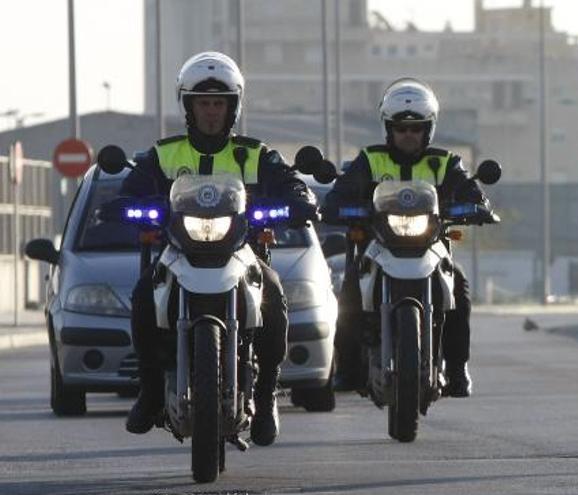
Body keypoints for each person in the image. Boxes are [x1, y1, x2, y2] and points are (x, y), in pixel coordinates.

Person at [122, 51, 316, 446]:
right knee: (143, 295)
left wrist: (298, 200)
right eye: (204, 103)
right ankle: (151, 390)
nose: (211, 112)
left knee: (275, 297)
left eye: (219, 104)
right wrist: (128, 205)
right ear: (188, 106)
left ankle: (265, 396)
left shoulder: (256, 154)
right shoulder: (163, 154)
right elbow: (130, 189)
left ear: (233, 107)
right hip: (177, 253)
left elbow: (292, 183)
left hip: (241, 253)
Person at [321, 78, 487, 397]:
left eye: (416, 128)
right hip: (379, 246)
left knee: (461, 290)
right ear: (389, 128)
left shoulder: (445, 162)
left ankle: (456, 368)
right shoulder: (370, 159)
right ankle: (348, 368)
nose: (408, 135)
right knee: (350, 290)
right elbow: (339, 194)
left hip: (432, 247)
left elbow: (471, 191)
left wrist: (478, 206)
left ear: (429, 129)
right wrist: (339, 206)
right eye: (401, 128)